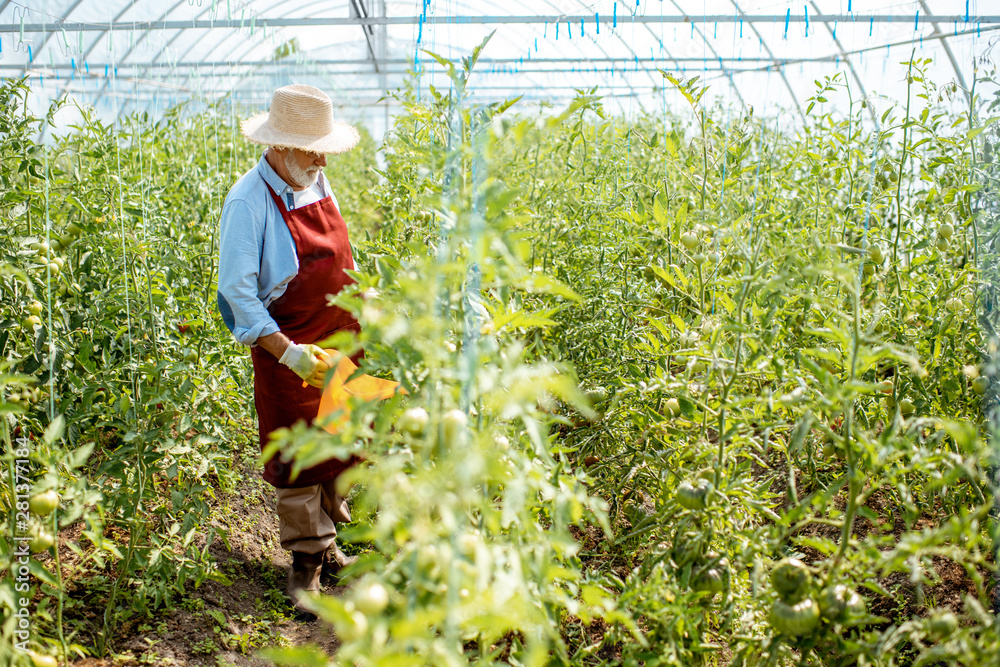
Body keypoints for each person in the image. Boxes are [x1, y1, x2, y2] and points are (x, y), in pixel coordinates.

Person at [215, 84, 363, 618]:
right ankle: (305, 566)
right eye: (311, 147)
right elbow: (237, 294)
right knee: (300, 458)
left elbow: (340, 256)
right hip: (292, 347)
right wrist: (289, 352)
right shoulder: (248, 202)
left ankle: (325, 539)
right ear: (278, 146)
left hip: (342, 338)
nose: (322, 158)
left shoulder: (315, 179)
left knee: (343, 441)